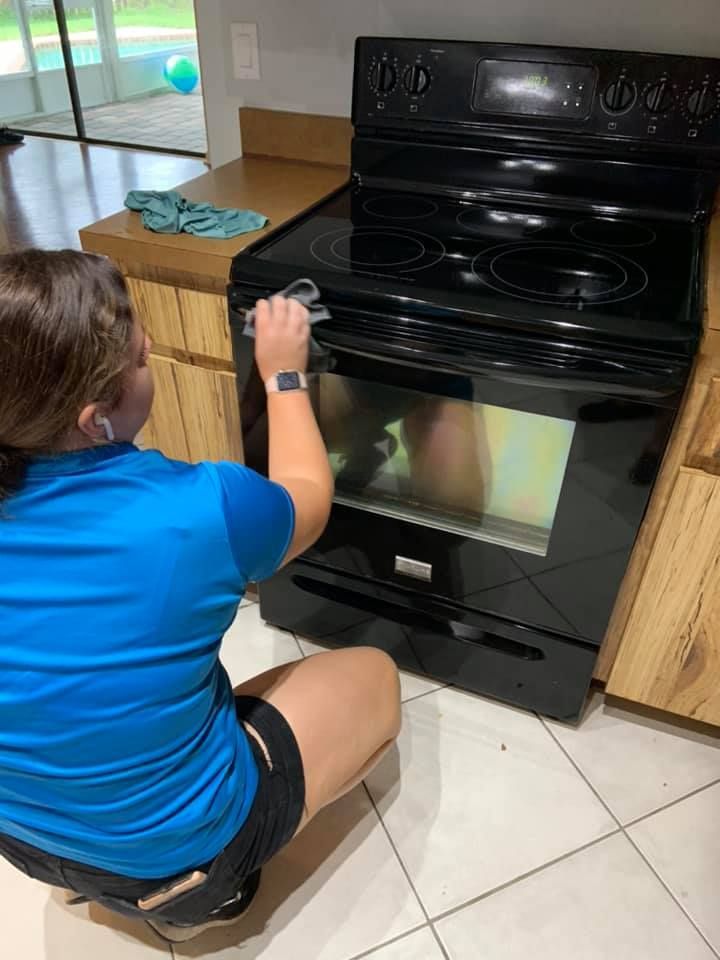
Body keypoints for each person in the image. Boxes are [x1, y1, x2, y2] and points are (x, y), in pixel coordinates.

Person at [0, 249, 401, 943]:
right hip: (175, 862)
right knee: (375, 678)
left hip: (22, 841)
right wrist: (283, 369)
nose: (150, 359)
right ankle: (205, 899)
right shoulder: (195, 511)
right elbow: (308, 497)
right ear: (96, 417)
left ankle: (86, 876)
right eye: (143, 360)